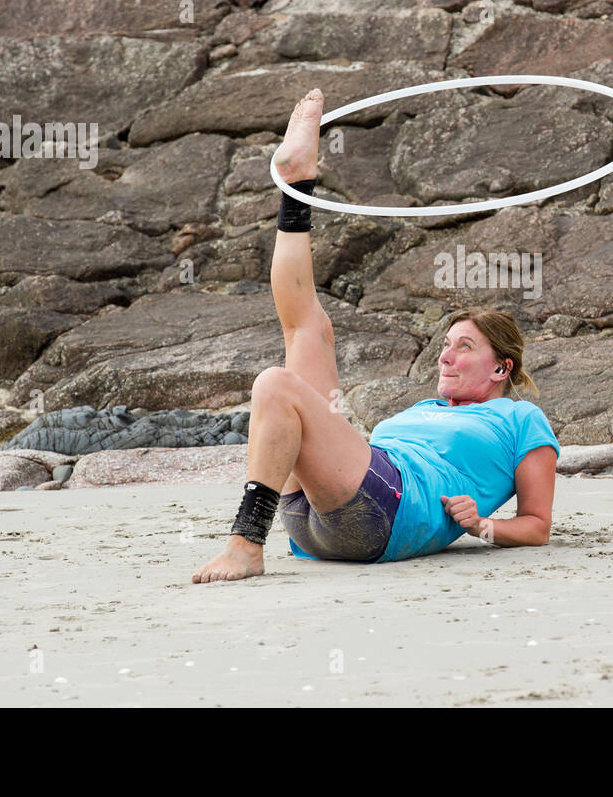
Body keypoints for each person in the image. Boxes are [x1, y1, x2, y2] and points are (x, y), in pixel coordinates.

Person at [193, 89, 560, 583]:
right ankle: (297, 185)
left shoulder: (520, 420)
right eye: (446, 345)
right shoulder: (423, 411)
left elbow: (538, 526)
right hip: (324, 515)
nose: (446, 357)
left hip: (387, 513)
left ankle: (245, 542)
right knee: (308, 328)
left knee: (275, 384)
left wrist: (485, 527)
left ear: (501, 368)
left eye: (465, 347)